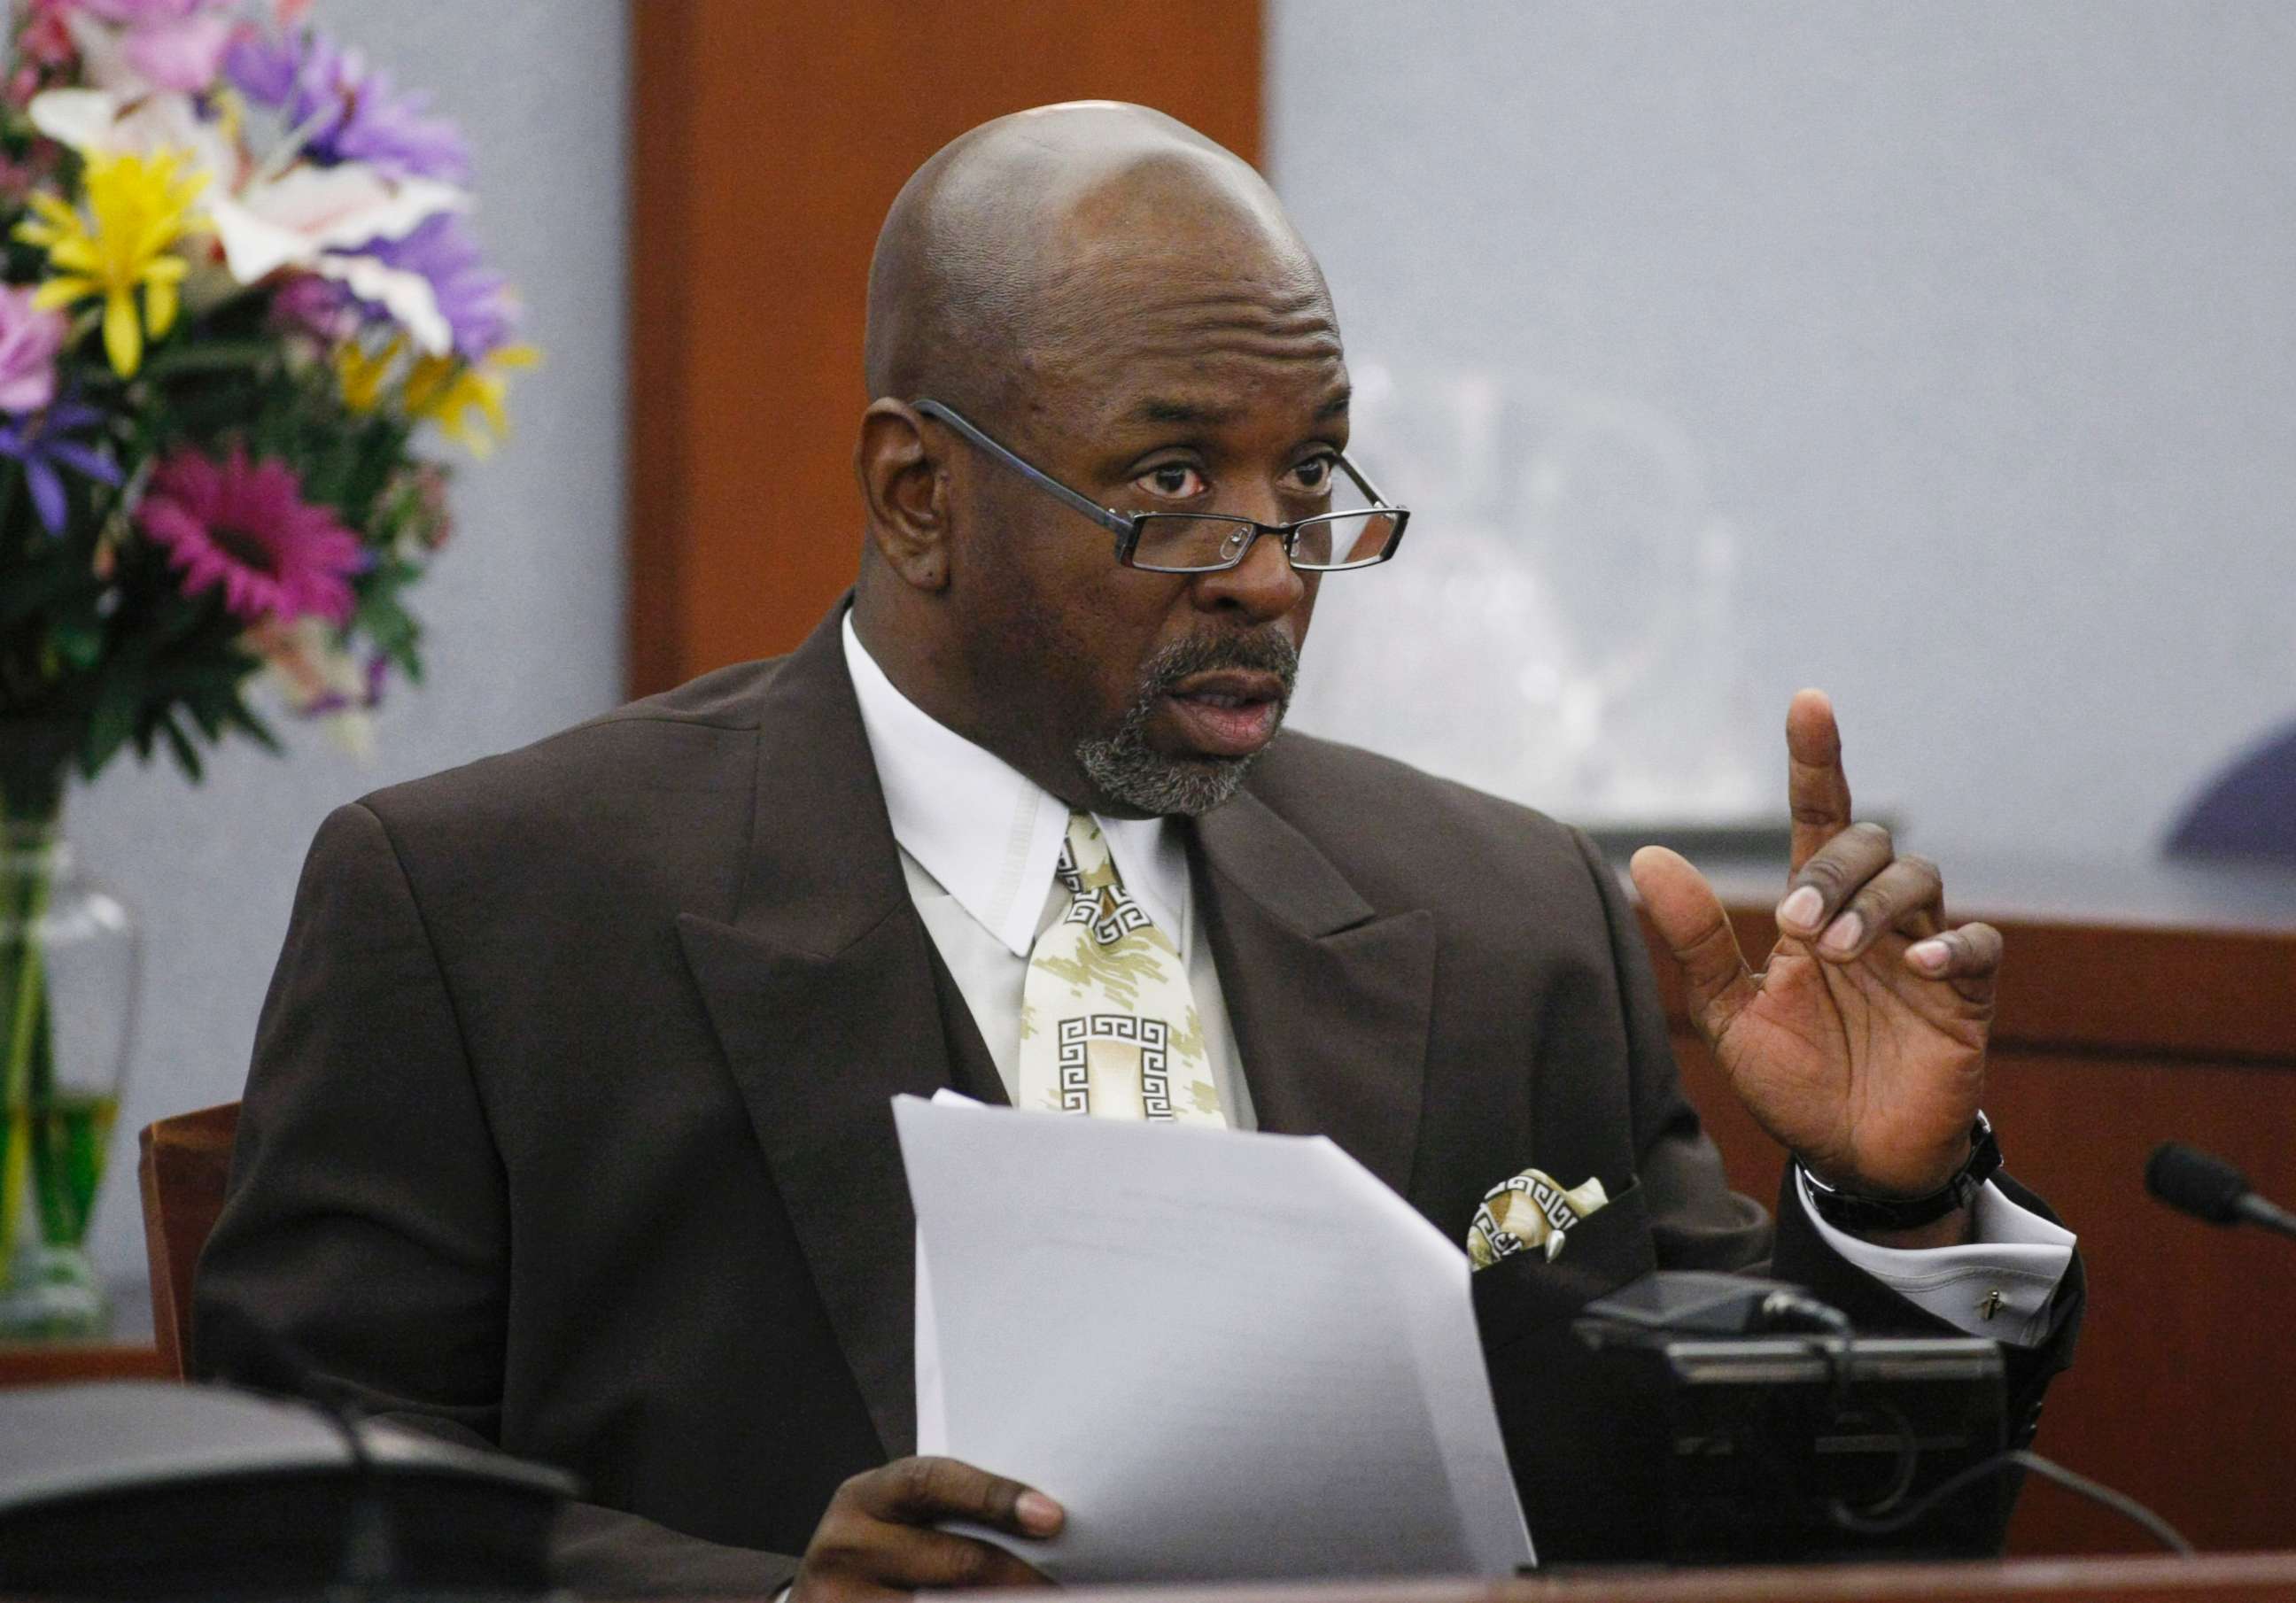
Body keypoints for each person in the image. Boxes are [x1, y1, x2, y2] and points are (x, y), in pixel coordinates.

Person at [196, 104, 2080, 1597]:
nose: (1270, 567)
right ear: (917, 495)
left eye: (1310, 474)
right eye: (1173, 480)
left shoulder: (1515, 918)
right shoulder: (495, 910)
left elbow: (1755, 1538)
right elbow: (278, 1529)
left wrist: (1893, 1220)